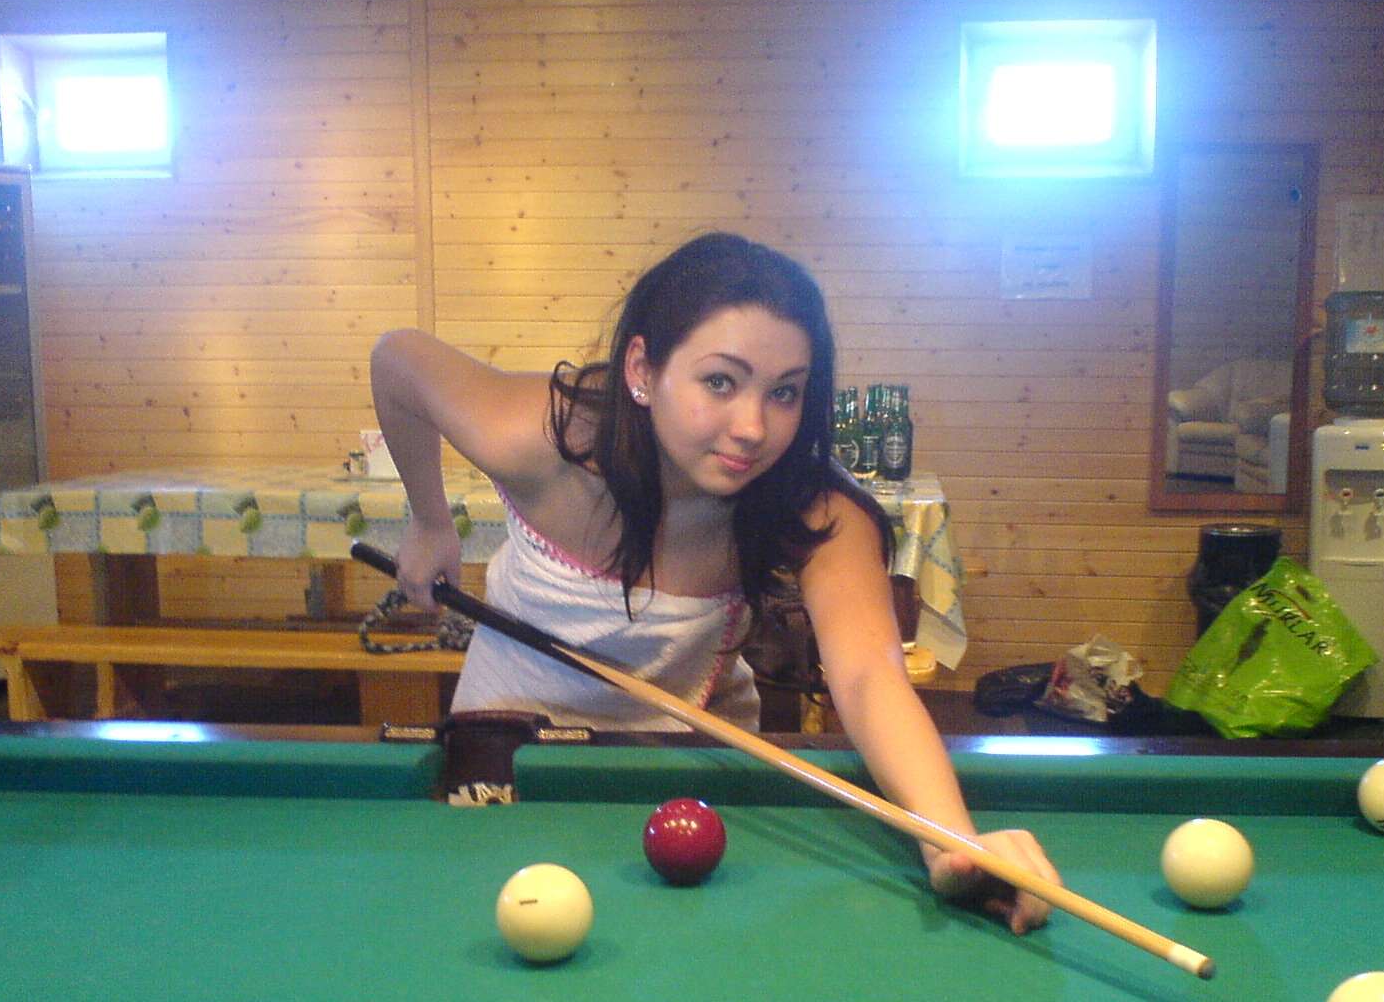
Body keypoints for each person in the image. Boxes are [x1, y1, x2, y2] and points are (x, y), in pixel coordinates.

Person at [370, 232, 1061, 933]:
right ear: (643, 370)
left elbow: (867, 678)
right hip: (504, 755)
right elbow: (398, 359)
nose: (754, 428)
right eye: (721, 382)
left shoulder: (814, 506)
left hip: (691, 776)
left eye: (784, 392)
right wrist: (430, 520)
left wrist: (953, 841)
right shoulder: (542, 437)